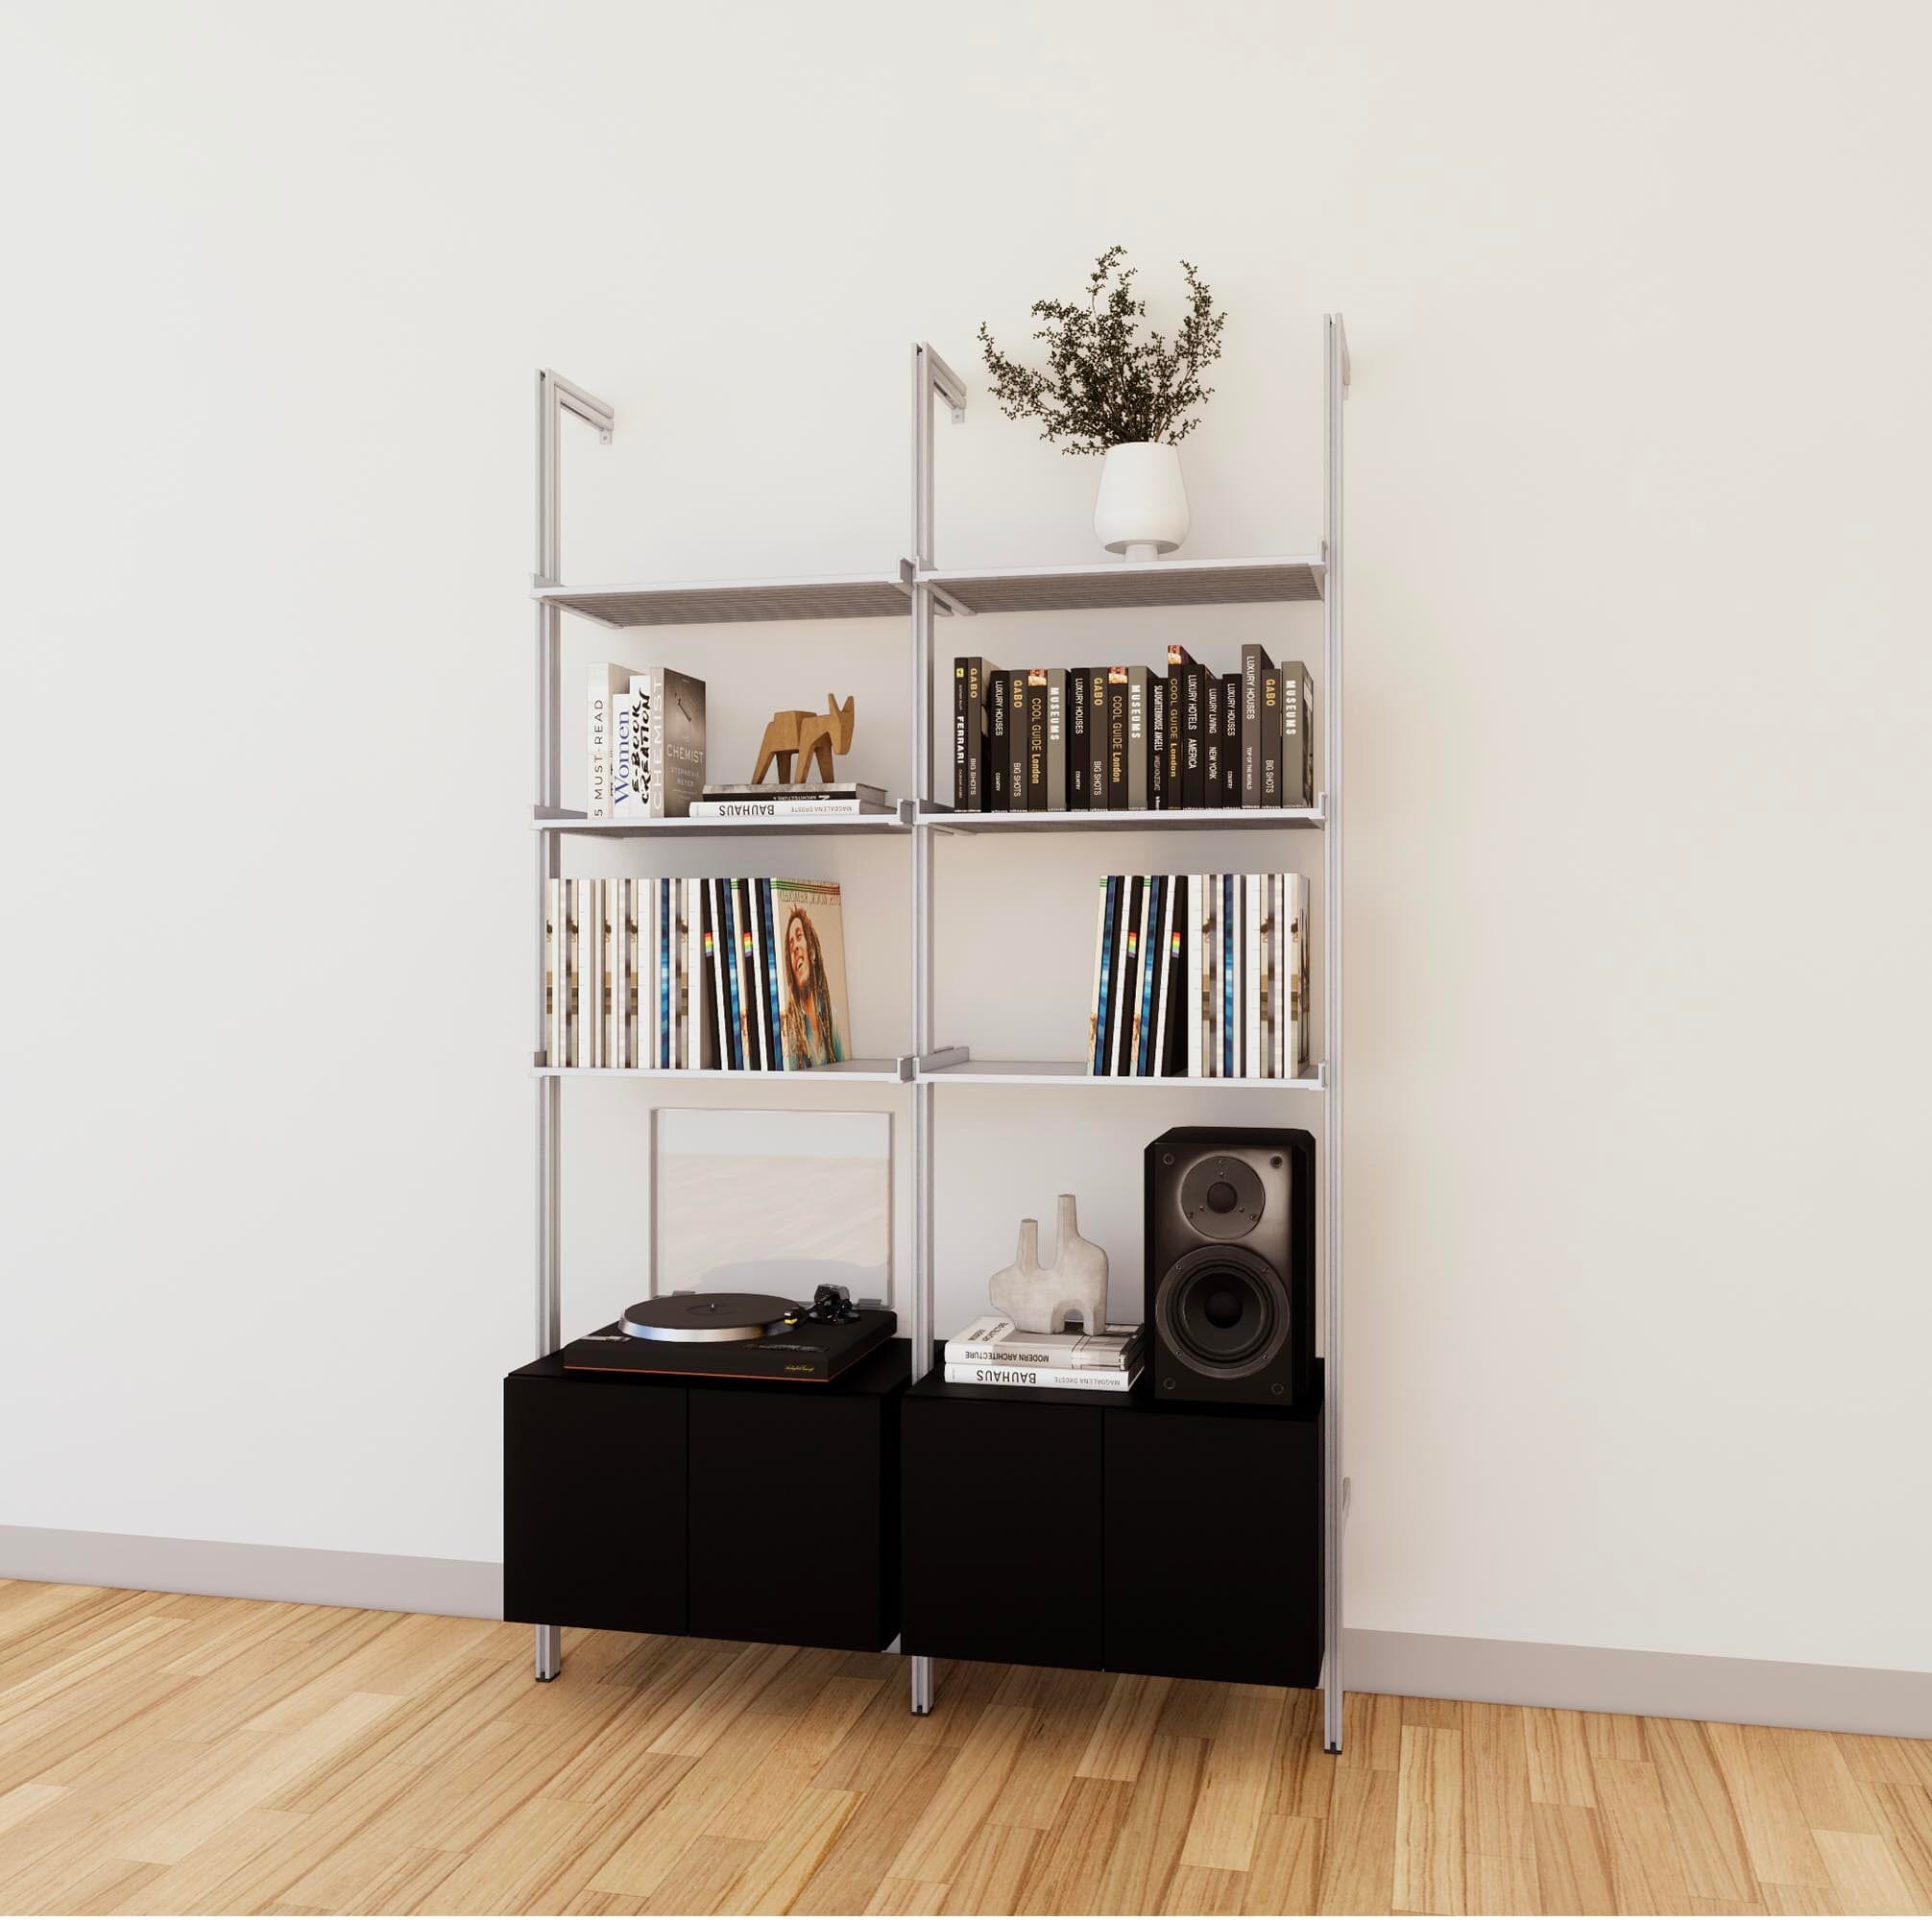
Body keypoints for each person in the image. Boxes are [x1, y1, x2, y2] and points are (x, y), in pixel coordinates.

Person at [780, 905, 844, 1068]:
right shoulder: (790, 1028)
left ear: (812, 952)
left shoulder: (831, 1017)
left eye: (799, 937)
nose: (794, 947)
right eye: (790, 943)